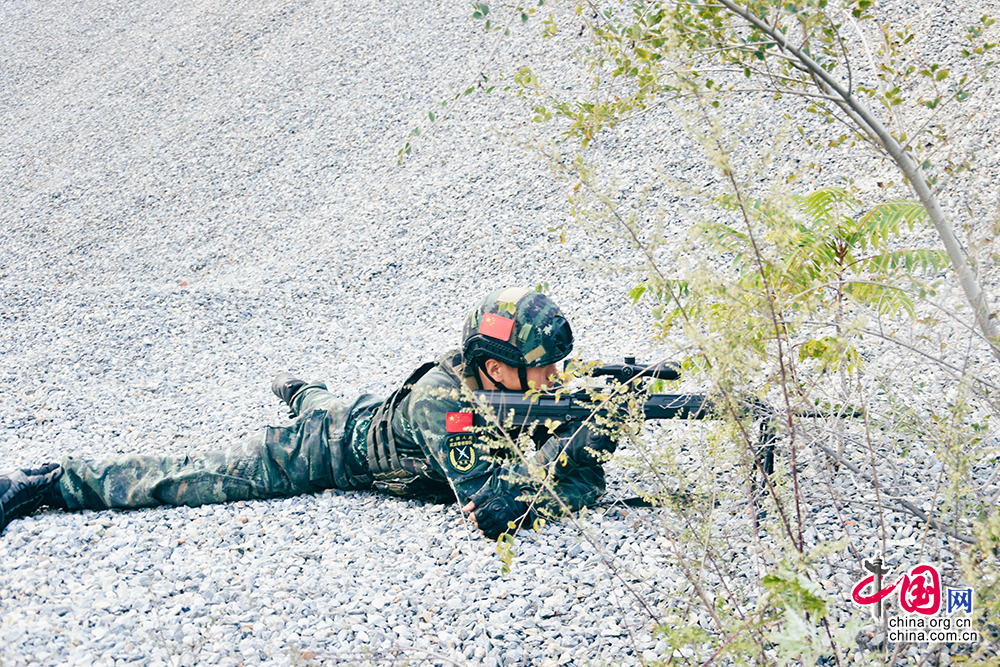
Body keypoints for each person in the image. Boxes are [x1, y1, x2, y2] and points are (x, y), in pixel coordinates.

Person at [0, 288, 616, 540]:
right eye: (541, 368)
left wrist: (611, 408)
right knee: (190, 475)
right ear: (494, 365)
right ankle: (53, 479)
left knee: (325, 400)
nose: (553, 380)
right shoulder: (444, 402)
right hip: (325, 451)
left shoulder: (512, 385)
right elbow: (494, 509)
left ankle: (302, 388)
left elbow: (554, 422)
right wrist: (583, 447)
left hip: (369, 412)